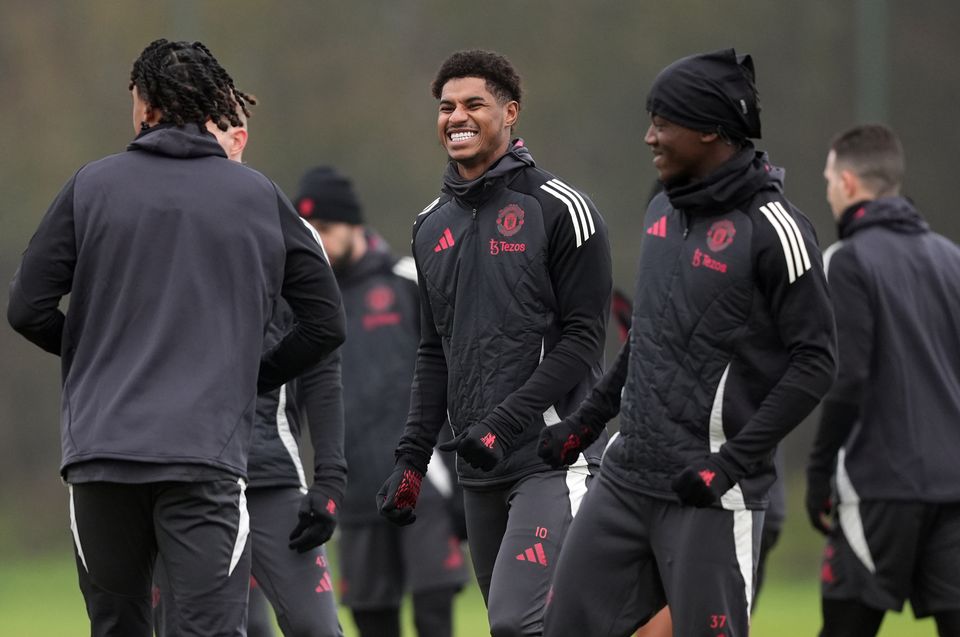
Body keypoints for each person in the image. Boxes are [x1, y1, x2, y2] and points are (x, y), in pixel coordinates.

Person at [6, 39, 345, 637]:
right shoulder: (258, 196)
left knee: (119, 625)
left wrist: (97, 357)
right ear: (210, 104)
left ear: (146, 106)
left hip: (101, 456)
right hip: (204, 458)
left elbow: (27, 309)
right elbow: (325, 323)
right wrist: (248, 375)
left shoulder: (91, 186)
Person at [539, 48, 837, 637]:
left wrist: (730, 464)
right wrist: (586, 422)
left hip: (708, 496)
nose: (649, 136)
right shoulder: (661, 212)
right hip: (627, 475)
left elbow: (816, 363)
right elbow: (647, 335)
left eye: (663, 121)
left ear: (710, 130)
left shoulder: (776, 228)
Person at [376, 49, 613, 637]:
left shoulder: (561, 208)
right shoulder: (429, 224)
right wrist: (410, 460)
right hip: (477, 471)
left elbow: (585, 339)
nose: (456, 116)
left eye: (473, 104)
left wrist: (503, 424)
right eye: (446, 107)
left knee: (516, 622)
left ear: (509, 112)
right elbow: (435, 353)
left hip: (552, 460)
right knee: (529, 624)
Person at [153, 108, 346, 637]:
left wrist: (330, 477)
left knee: (317, 628)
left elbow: (323, 361)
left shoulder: (286, 228)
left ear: (238, 139)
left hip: (268, 475)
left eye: (207, 131)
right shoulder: (156, 222)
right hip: (176, 472)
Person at [294, 166, 468, 637]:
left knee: (434, 611)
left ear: (354, 225)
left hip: (423, 484)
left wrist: (459, 478)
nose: (320, 242)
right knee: (372, 619)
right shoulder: (306, 303)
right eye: (310, 234)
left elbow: (452, 378)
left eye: (326, 230)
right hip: (354, 490)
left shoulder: (407, 282)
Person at [805, 124, 960, 637]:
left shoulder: (847, 260)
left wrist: (819, 471)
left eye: (828, 178)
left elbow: (848, 378)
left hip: (879, 488)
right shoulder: (950, 258)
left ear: (848, 183)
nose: (827, 188)